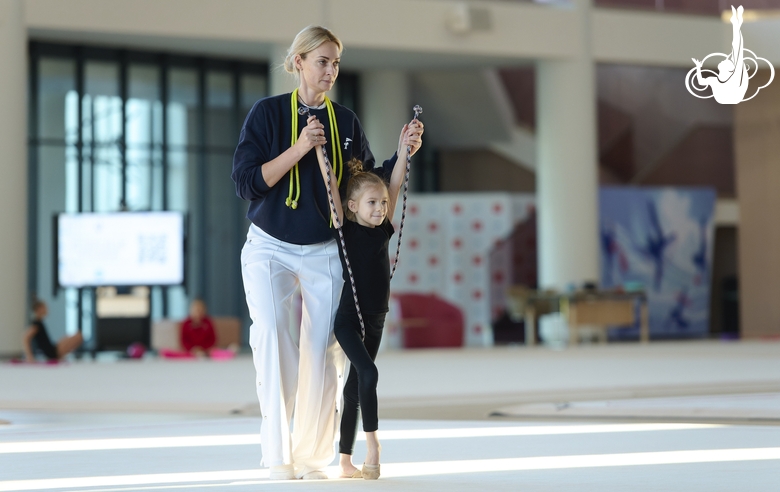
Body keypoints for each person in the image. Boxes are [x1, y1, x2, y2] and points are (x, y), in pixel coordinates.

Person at [231, 25, 424, 480]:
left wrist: (401, 153)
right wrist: (300, 147)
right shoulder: (267, 113)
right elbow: (246, 183)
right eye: (322, 61)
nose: (330, 71)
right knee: (274, 339)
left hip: (325, 248)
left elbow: (366, 189)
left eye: (336, 62)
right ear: (298, 62)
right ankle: (278, 457)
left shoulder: (348, 122)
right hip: (269, 246)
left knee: (325, 351)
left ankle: (314, 456)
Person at [314, 122, 413, 479]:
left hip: (377, 317)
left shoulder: (383, 227)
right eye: (372, 203)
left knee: (355, 386)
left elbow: (396, 182)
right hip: (349, 319)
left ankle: (344, 461)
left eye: (382, 203)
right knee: (368, 372)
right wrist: (319, 150)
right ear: (353, 205)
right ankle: (373, 445)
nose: (378, 208)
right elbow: (328, 184)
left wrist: (403, 149)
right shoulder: (346, 228)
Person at [692, 5, 747, 104]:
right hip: (727, 97)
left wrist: (736, 26)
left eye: (726, 61)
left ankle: (736, 24)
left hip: (732, 96)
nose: (725, 59)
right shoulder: (717, 80)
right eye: (727, 61)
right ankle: (736, 24)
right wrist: (698, 67)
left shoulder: (732, 77)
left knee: (737, 50)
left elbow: (737, 48)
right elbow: (701, 82)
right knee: (737, 52)